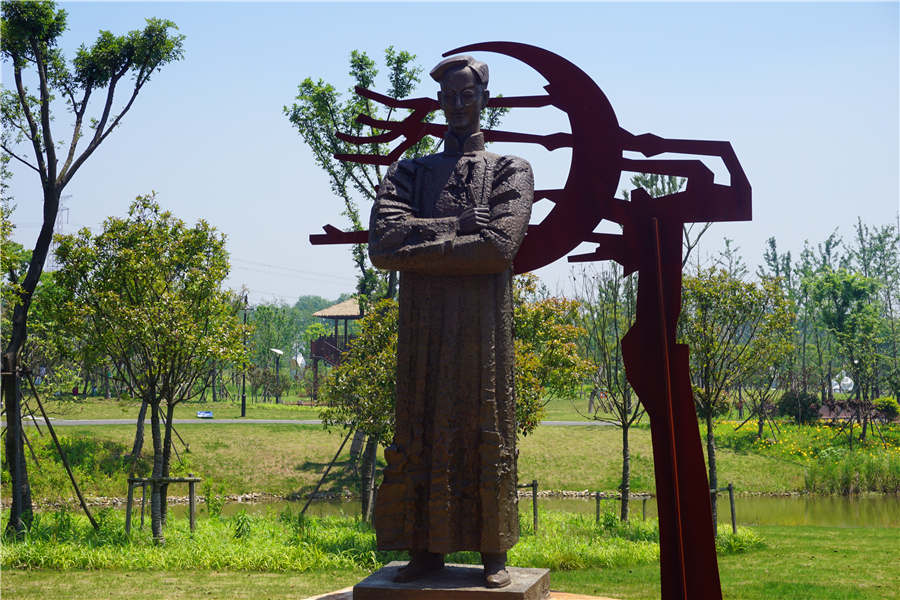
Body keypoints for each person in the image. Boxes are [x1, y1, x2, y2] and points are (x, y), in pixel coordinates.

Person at [368, 54, 533, 588]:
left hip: (482, 327)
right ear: (439, 102)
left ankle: (493, 551)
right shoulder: (410, 171)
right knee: (418, 421)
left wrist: (422, 239)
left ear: (485, 99)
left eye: (468, 95)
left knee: (483, 422)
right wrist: (456, 225)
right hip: (423, 327)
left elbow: (497, 248)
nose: (458, 106)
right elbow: (382, 246)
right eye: (450, 96)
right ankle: (424, 550)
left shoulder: (511, 170)